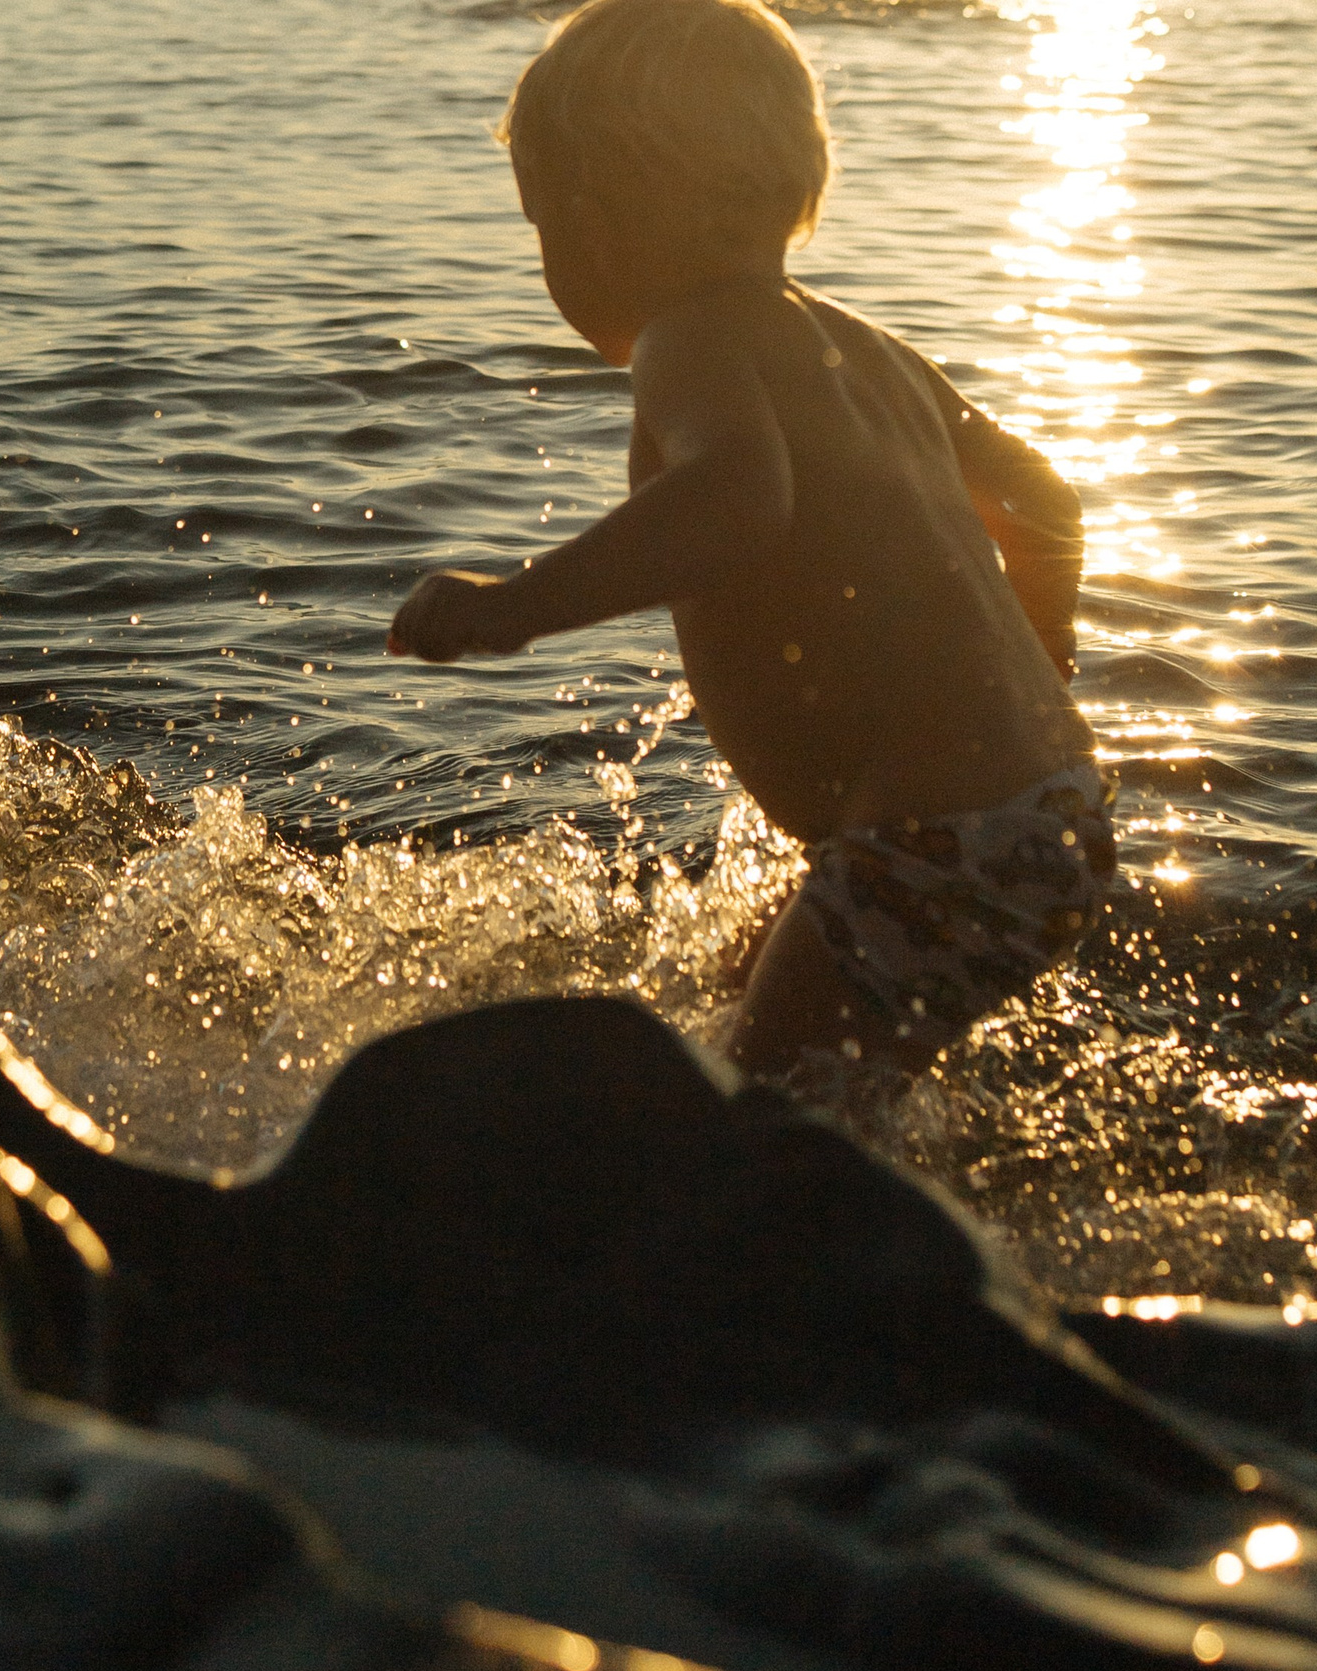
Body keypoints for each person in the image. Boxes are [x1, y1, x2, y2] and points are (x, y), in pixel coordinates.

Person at [386, 0, 1112, 1075]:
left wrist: (511, 607)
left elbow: (736, 500)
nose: (547, 264)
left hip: (924, 846)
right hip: (1054, 811)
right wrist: (1038, 668)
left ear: (603, 212)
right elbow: (1048, 503)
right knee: (737, 1009)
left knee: (760, 1119)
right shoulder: (869, 347)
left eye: (541, 225)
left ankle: (794, 1221)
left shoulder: (689, 340)